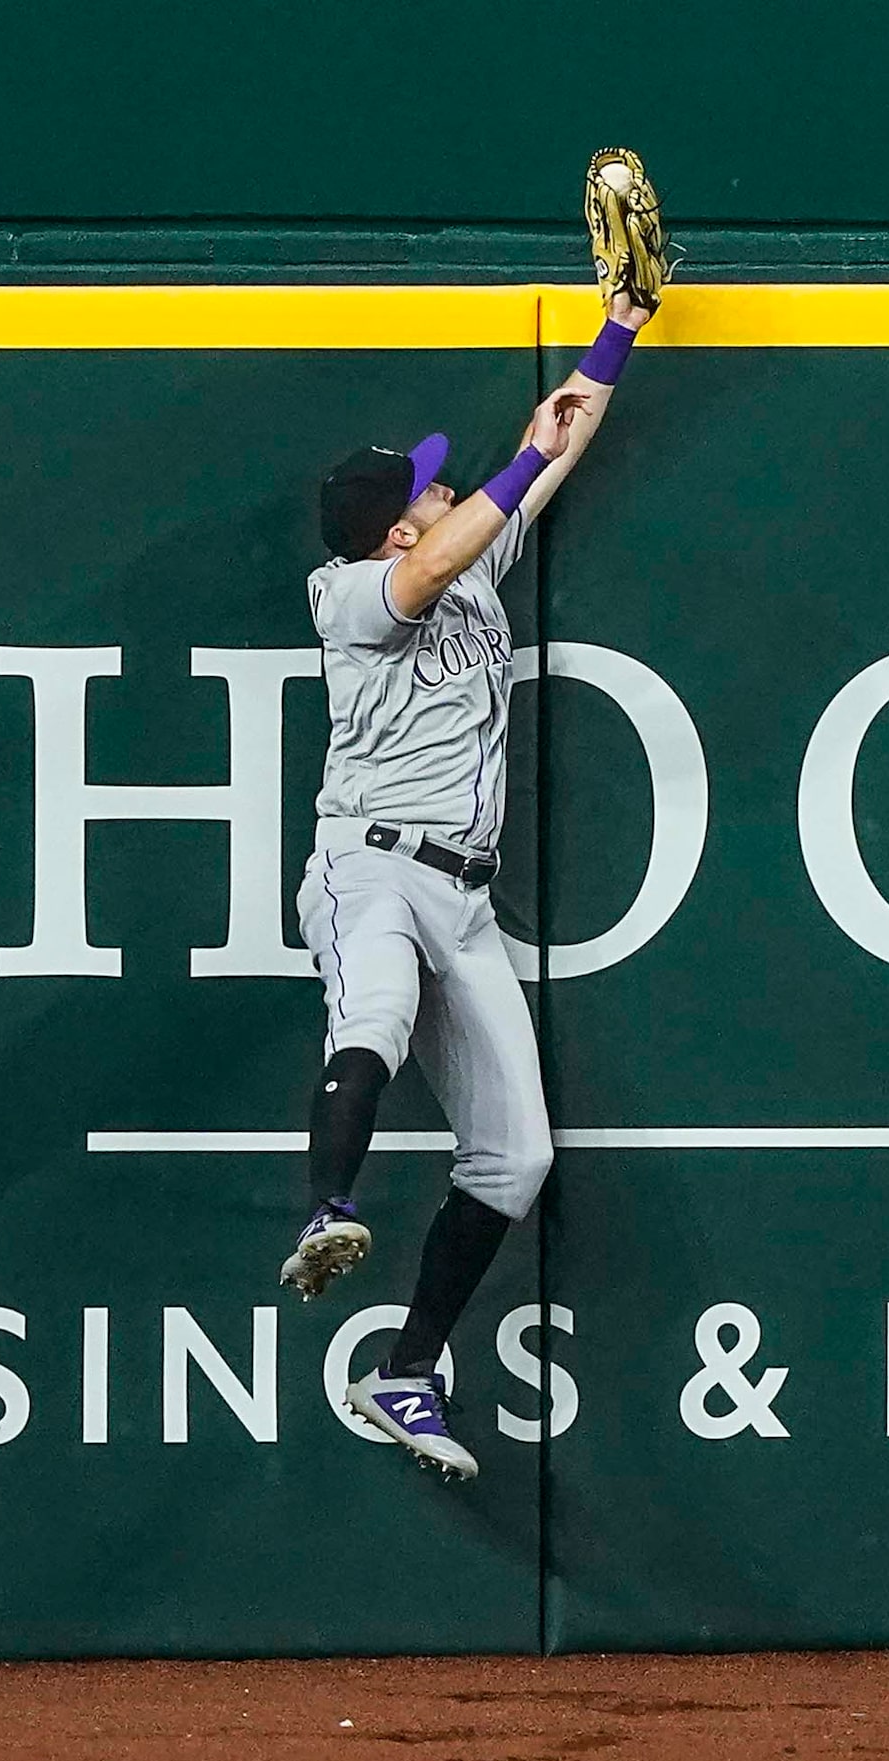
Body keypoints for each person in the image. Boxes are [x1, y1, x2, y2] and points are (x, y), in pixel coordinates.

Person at [284, 292, 656, 1479]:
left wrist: (618, 327)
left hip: (464, 897)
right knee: (374, 1024)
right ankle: (326, 1210)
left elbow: (561, 438)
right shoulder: (345, 592)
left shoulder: (466, 560)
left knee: (516, 1156)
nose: (445, 490)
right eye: (426, 487)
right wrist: (506, 472)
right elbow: (446, 547)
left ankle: (406, 1372)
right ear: (392, 530)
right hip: (369, 867)